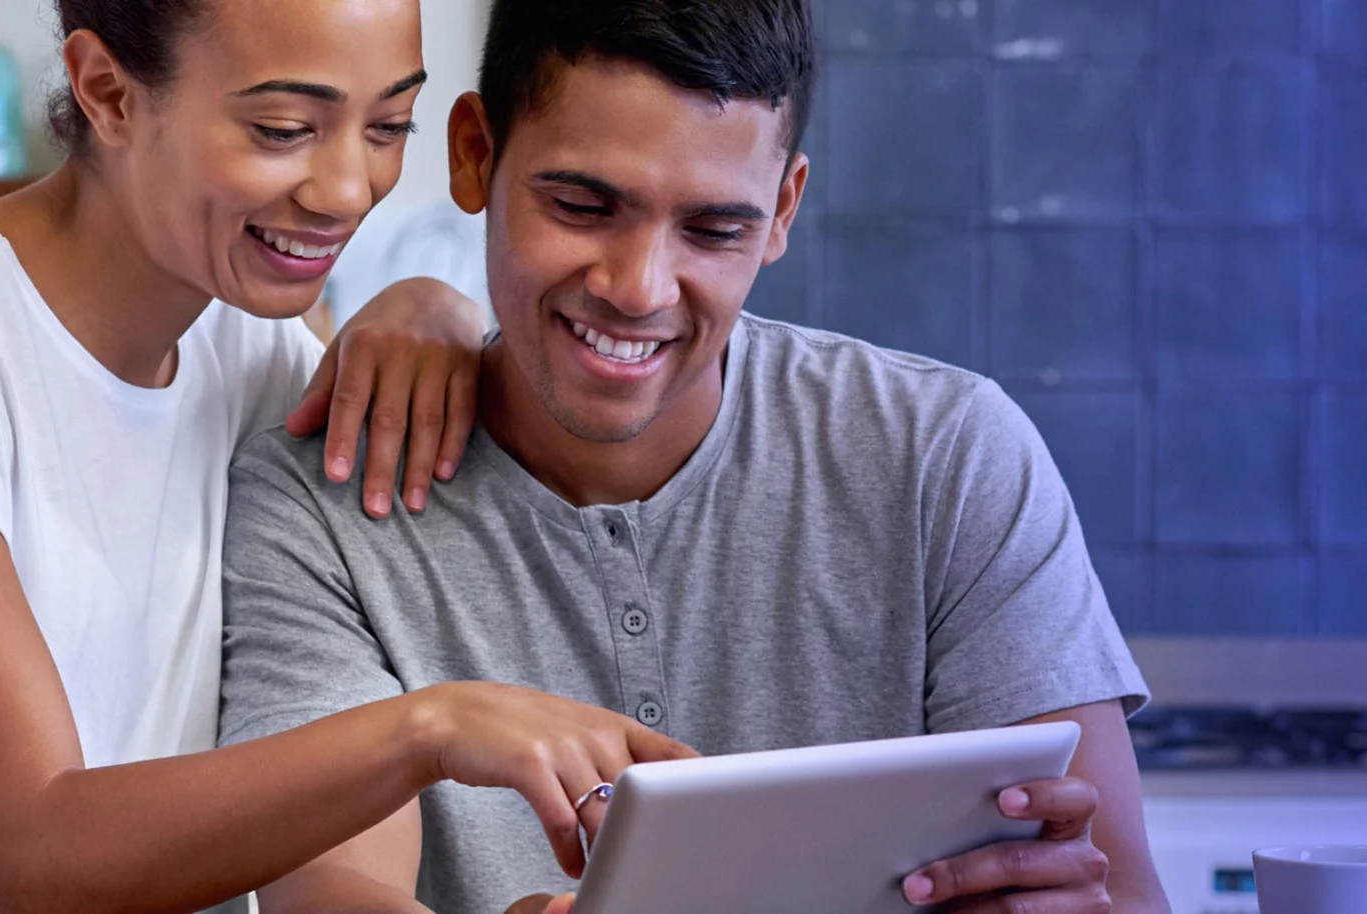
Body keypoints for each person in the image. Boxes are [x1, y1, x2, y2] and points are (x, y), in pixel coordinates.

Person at [0, 1, 695, 912]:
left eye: (388, 126)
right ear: (107, 92)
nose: (350, 187)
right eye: (282, 130)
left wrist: (430, 306)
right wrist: (429, 727)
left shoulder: (256, 352)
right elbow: (34, 849)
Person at [217, 0, 1169, 911]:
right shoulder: (322, 500)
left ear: (785, 206)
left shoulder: (949, 459)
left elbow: (1117, 888)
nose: (638, 289)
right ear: (476, 153)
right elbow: (334, 892)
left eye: (715, 229)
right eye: (584, 205)